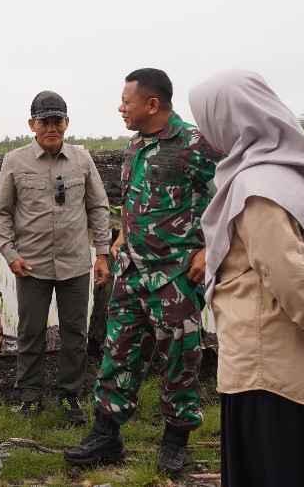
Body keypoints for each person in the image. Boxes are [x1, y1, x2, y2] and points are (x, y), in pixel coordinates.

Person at [188, 69, 304, 486]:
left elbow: (294, 284)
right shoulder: (287, 173)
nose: (204, 133)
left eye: (206, 120)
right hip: (287, 363)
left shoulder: (256, 188)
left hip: (270, 374)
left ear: (232, 118)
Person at [65, 68, 218, 473]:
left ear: (153, 104)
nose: (120, 108)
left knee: (180, 359)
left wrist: (209, 248)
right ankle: (106, 434)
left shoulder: (196, 145)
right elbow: (136, 202)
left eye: (126, 102)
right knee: (118, 353)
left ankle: (175, 438)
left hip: (174, 276)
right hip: (131, 273)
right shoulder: (136, 144)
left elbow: (229, 202)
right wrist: (119, 237)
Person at [0, 91, 111, 425]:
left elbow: (98, 207)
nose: (51, 128)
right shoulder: (15, 161)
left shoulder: (82, 160)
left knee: (76, 333)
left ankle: (70, 395)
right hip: (31, 265)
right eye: (44, 121)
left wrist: (102, 252)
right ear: (32, 124)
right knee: (31, 333)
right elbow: (0, 214)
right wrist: (10, 255)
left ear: (67, 123)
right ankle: (30, 398)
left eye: (57, 121)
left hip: (75, 263)